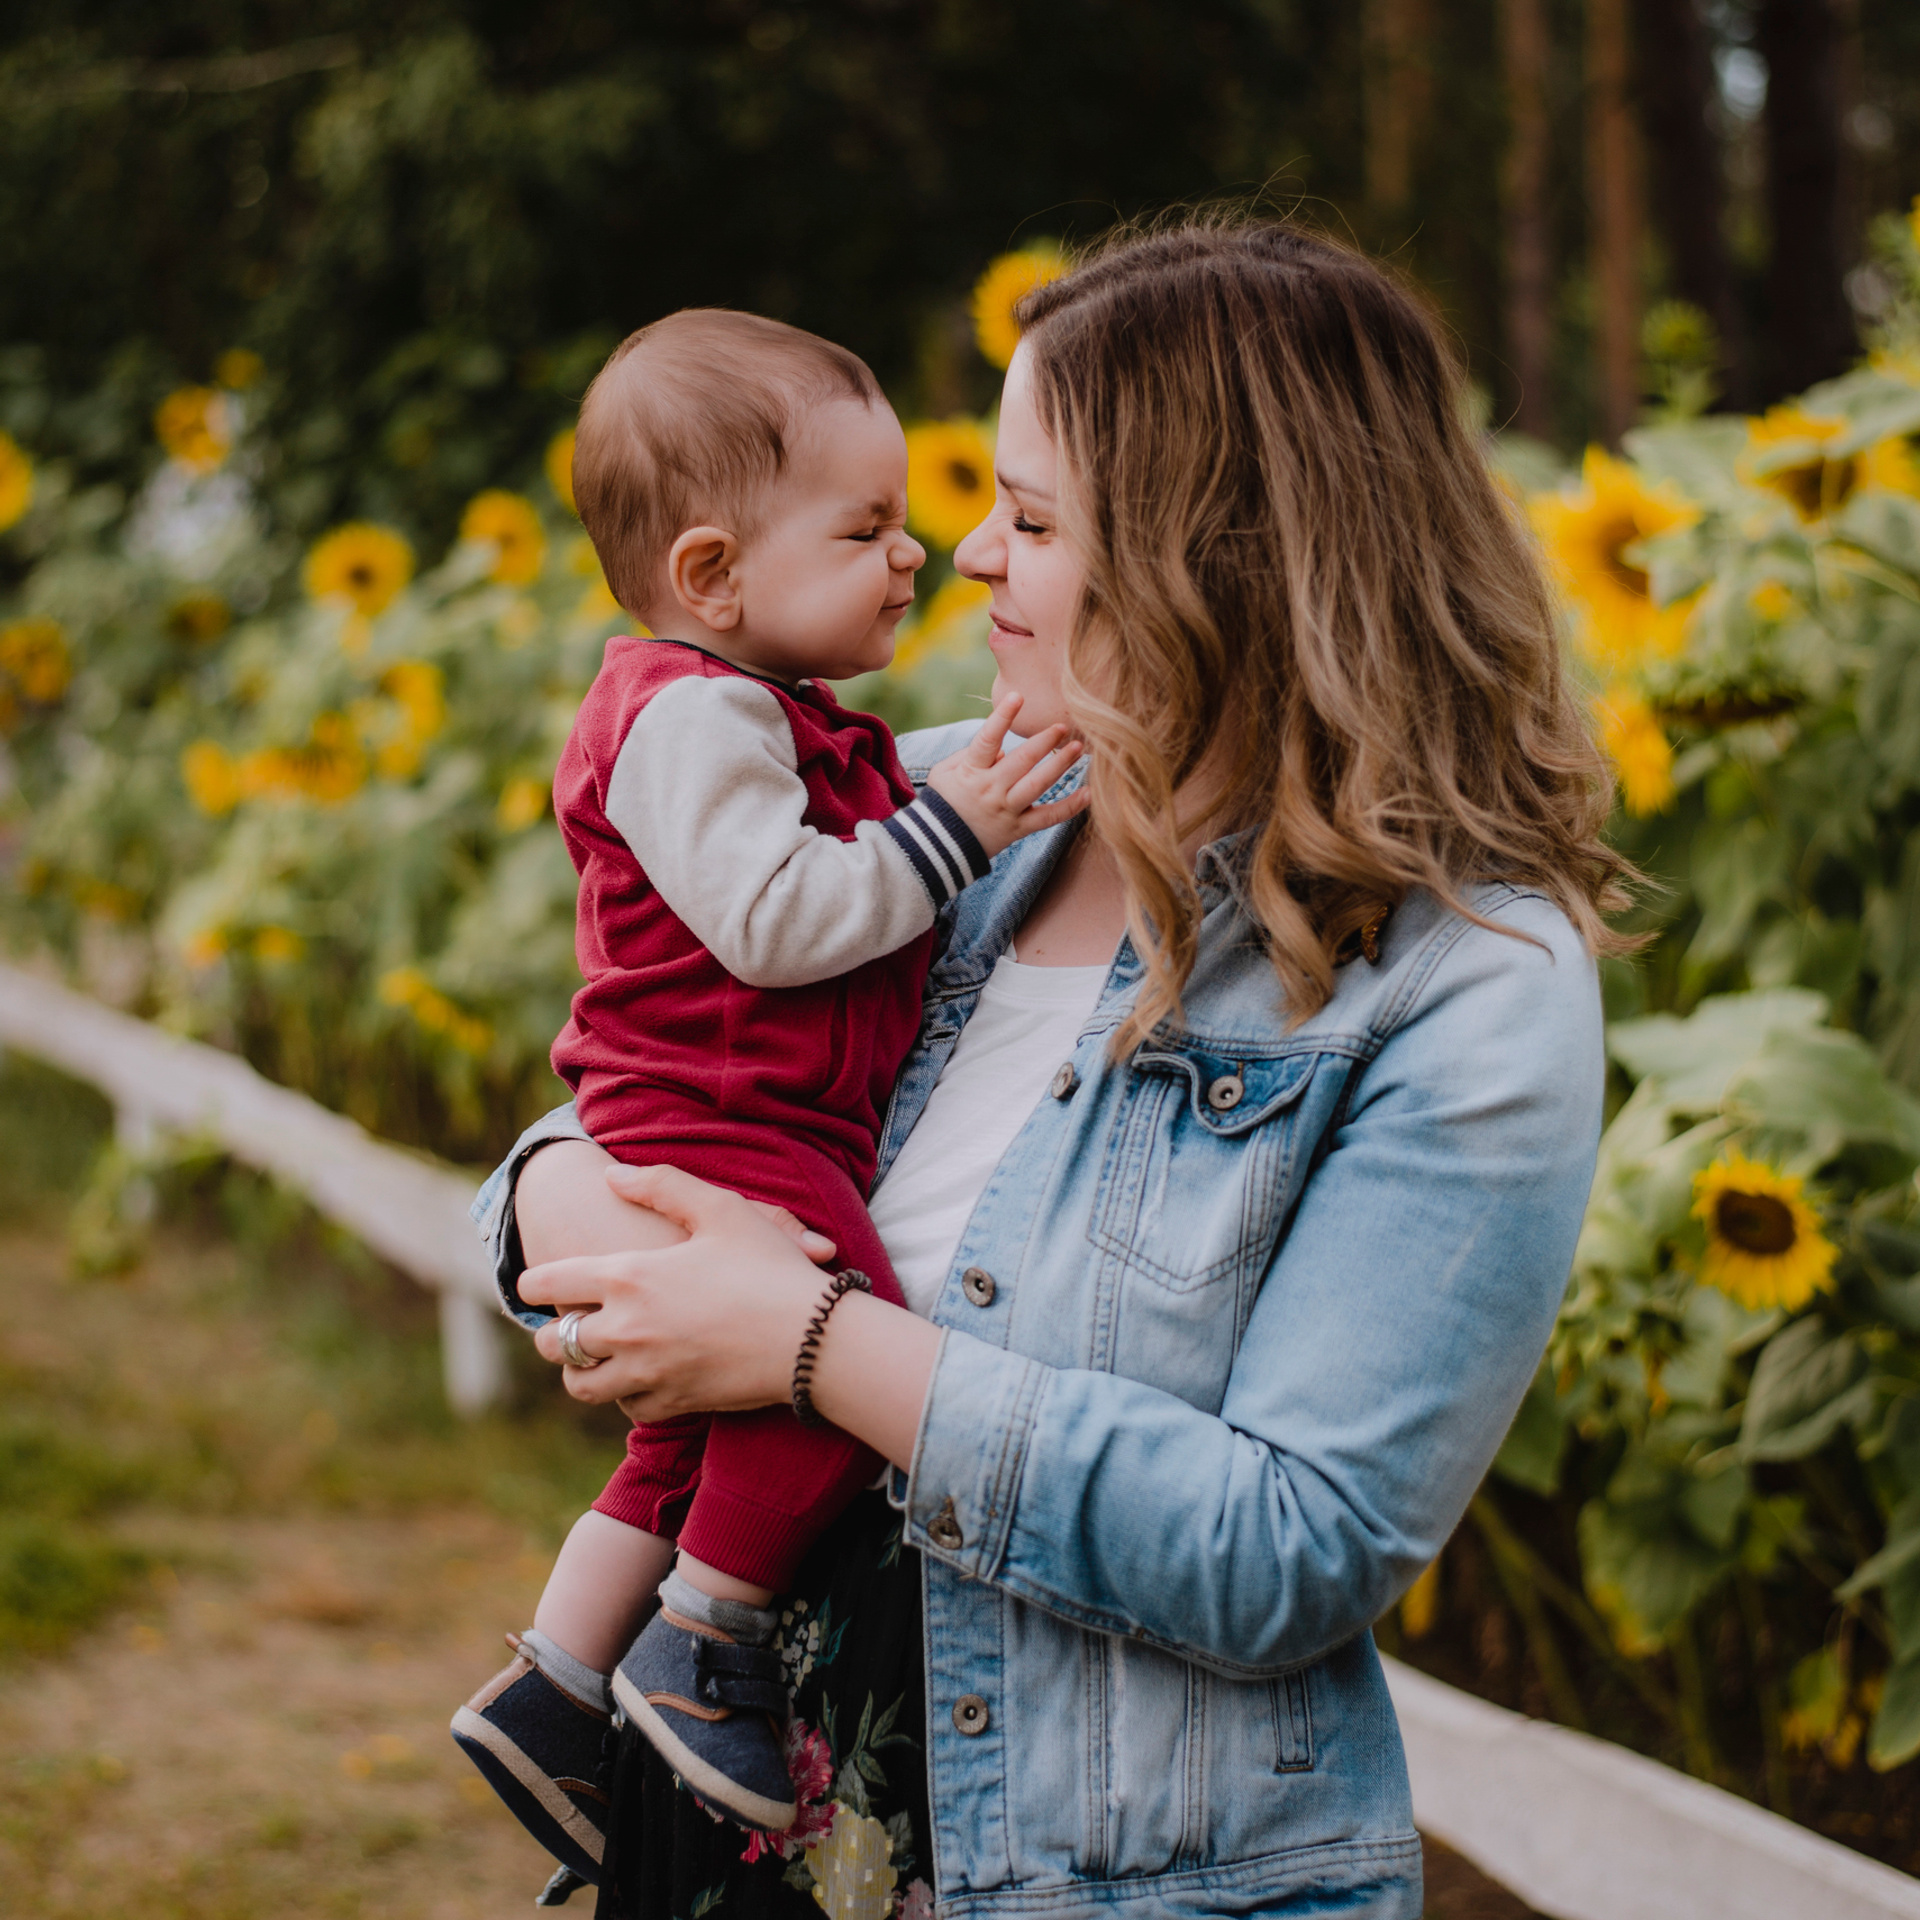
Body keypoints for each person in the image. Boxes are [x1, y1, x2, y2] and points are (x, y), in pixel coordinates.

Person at [480, 217, 1631, 1918]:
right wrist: (576, 1223)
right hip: (728, 1825)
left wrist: (806, 1343)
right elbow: (610, 1120)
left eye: (1028, 520)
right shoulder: (938, 808)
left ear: (1222, 560)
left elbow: (1292, 1548)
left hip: (1103, 1880)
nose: (962, 557)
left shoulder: (1468, 978)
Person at [452, 309, 1087, 1871]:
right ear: (713, 573)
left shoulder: (770, 718)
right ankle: (704, 1644)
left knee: (686, 1442)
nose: (923, 555)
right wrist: (953, 834)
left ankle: (555, 1686)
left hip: (730, 1118)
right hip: (730, 1127)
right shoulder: (697, 716)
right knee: (830, 1366)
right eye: (866, 531)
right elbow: (776, 919)